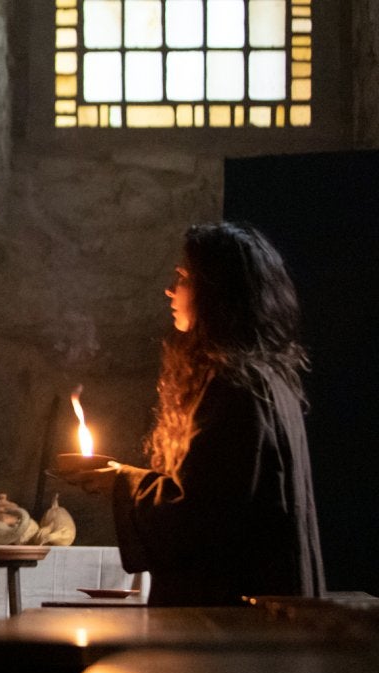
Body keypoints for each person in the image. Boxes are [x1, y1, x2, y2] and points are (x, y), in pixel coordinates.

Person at [60, 221, 325, 606]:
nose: (171, 290)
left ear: (217, 292)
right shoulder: (264, 378)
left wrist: (120, 482)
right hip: (265, 603)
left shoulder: (233, 385)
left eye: (184, 278)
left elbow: (200, 511)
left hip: (232, 616)